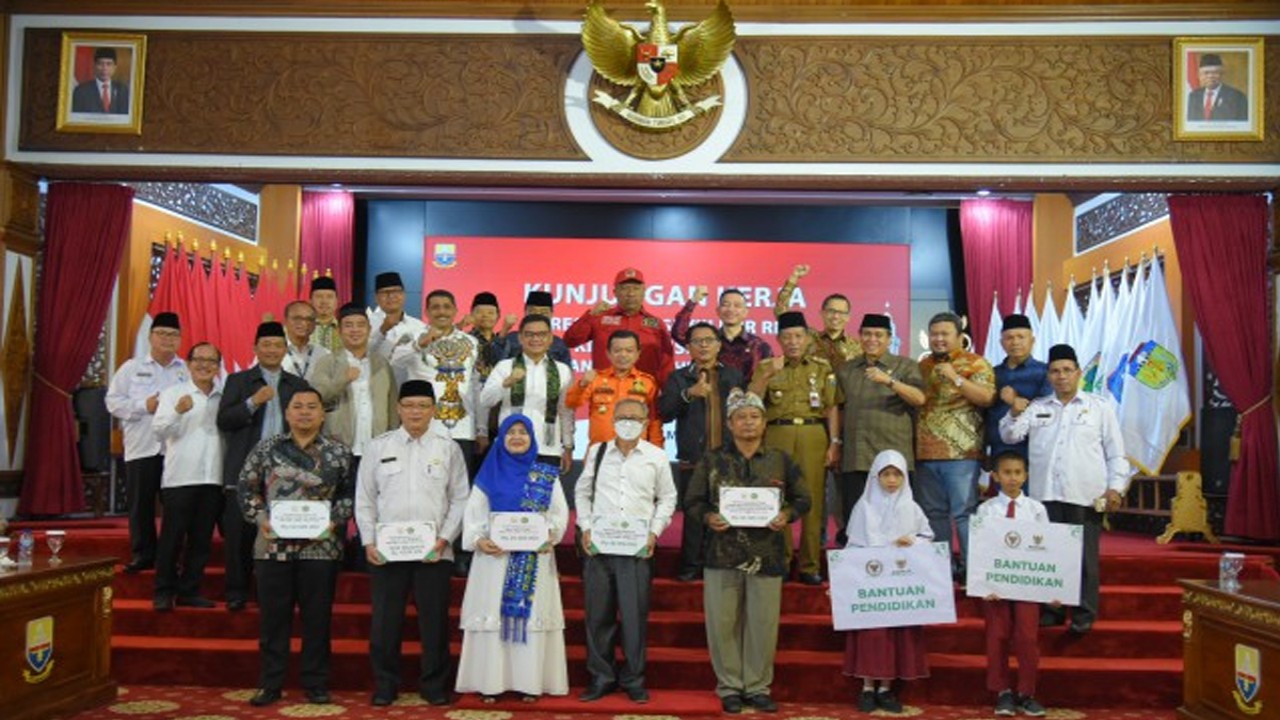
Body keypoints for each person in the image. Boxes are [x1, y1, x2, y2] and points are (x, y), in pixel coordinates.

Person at [685, 389, 811, 714]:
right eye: (741, 417)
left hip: (767, 555)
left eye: (754, 416)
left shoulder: (780, 459)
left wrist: (787, 515)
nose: (748, 422)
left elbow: (803, 498)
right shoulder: (713, 459)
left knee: (762, 624)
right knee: (722, 623)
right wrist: (708, 517)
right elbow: (693, 501)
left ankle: (757, 686)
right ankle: (729, 686)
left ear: (765, 422)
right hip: (721, 553)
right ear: (729, 423)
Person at [999, 343, 1128, 635]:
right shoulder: (1039, 407)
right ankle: (1052, 609)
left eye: (1067, 370)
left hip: (1085, 494)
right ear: (1049, 375)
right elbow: (1009, 435)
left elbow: (1116, 453)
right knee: (1048, 555)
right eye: (1055, 371)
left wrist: (1115, 488)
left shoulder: (1099, 407)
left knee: (1085, 559)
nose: (1061, 376)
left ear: (1078, 373)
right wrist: (1014, 411)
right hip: (1044, 495)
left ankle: (1084, 613)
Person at [238, 387, 356, 707]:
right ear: (287, 413)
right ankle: (270, 682)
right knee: (273, 619)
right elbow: (246, 489)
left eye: (311, 407)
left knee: (317, 618)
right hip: (273, 547)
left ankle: (316, 683)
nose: (304, 412)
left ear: (322, 413)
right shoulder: (267, 448)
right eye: (298, 407)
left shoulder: (338, 452)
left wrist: (334, 521)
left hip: (321, 548)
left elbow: (350, 495)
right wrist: (260, 518)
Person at [357, 380, 470, 707]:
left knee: (434, 622)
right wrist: (368, 541)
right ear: (399, 408)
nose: (415, 411)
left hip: (434, 552)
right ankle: (385, 685)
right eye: (409, 405)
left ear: (433, 410)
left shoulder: (448, 447)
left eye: (423, 405)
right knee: (385, 622)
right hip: (386, 551)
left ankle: (434, 685)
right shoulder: (379, 446)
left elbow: (460, 498)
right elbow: (365, 499)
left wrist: (444, 539)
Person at [455, 414, 570, 701]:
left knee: (530, 617)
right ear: (501, 438)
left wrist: (549, 535)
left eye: (523, 432)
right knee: (495, 616)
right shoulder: (488, 473)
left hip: (534, 560)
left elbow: (559, 513)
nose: (517, 437)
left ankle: (529, 683)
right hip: (494, 560)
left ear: (532, 438)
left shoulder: (545, 474)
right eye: (511, 432)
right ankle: (490, 682)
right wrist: (480, 538)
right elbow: (473, 514)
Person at [575, 399, 677, 703]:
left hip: (636, 549)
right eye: (622, 417)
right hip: (599, 547)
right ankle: (601, 677)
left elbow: (668, 498)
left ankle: (633, 678)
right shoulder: (597, 452)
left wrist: (654, 532)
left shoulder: (656, 457)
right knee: (598, 616)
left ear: (646, 422)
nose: (628, 421)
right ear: (613, 420)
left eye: (635, 417)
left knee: (634, 616)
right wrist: (585, 527)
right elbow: (582, 492)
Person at [218, 321, 310, 611]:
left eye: (277, 345)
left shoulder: (298, 385)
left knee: (285, 532)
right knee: (240, 535)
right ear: (256, 348)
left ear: (285, 350)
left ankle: (278, 594)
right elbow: (224, 420)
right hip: (245, 469)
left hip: (286, 471)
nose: (271, 350)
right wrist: (252, 402)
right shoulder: (238, 381)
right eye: (266, 345)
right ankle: (237, 591)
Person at [749, 311, 840, 586]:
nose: (793, 342)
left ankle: (809, 565)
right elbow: (751, 400)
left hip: (814, 433)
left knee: (811, 500)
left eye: (798, 336)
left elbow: (833, 406)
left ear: (807, 338)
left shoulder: (822, 367)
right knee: (777, 498)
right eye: (787, 337)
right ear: (778, 339)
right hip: (777, 433)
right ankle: (782, 560)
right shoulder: (766, 365)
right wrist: (767, 375)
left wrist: (834, 442)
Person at [843, 449, 933, 715]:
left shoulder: (912, 507)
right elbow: (853, 544)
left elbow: (928, 536)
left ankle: (885, 688)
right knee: (872, 636)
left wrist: (914, 541)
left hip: (899, 585)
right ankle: (868, 687)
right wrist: (843, 581)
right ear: (875, 477)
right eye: (886, 474)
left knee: (895, 636)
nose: (892, 480)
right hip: (871, 584)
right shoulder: (864, 507)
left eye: (897, 474)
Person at [659, 321, 744, 581]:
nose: (704, 345)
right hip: (693, 459)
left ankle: (721, 564)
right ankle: (690, 567)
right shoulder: (679, 377)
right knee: (696, 516)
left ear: (719, 345)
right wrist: (689, 393)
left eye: (709, 340)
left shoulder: (733, 376)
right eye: (698, 341)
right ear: (689, 347)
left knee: (727, 514)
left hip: (728, 457)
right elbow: (664, 412)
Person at [105, 311, 187, 574]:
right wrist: (144, 405)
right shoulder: (132, 368)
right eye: (162, 333)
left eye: (173, 335)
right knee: (141, 504)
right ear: (151, 337)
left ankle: (171, 556)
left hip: (176, 449)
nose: (167, 339)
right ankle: (143, 554)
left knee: (175, 506)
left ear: (180, 339)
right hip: (142, 447)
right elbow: (112, 402)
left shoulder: (187, 370)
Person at [833, 313, 925, 546]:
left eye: (878, 335)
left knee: (897, 522)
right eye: (867, 334)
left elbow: (919, 399)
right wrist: (835, 442)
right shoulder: (847, 370)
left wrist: (890, 381)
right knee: (855, 521)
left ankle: (896, 574)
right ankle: (858, 573)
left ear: (889, 338)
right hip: (857, 456)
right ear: (860, 337)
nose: (872, 339)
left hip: (893, 460)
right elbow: (836, 408)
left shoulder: (906, 366)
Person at [916, 311, 995, 577]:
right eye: (934, 334)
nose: (938, 339)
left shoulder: (977, 363)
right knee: (933, 513)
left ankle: (974, 571)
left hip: (962, 453)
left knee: (964, 513)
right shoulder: (922, 366)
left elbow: (986, 398)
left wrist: (956, 378)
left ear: (960, 337)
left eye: (945, 334)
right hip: (925, 453)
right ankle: (942, 569)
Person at [151, 342, 224, 611]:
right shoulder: (173, 394)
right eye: (199, 359)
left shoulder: (224, 395)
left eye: (211, 361)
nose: (205, 365)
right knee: (172, 539)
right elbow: (158, 431)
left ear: (218, 366)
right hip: (180, 478)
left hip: (212, 477)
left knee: (201, 540)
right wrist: (177, 411)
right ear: (189, 362)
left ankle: (189, 590)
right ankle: (163, 591)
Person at [975, 451, 1049, 717]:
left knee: (1028, 638)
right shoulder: (986, 509)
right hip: (996, 587)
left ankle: (1027, 693)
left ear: (1026, 476)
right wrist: (984, 584)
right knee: (997, 637)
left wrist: (1051, 587)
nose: (1012, 478)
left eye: (1018, 473)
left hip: (1028, 586)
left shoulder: (1037, 510)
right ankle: (1002, 691)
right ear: (995, 476)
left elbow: (1049, 550)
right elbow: (981, 549)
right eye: (1007, 472)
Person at [396, 289, 482, 474]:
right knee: (425, 485)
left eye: (446, 307)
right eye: (435, 307)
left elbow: (475, 387)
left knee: (460, 489)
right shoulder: (413, 336)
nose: (441, 312)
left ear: (455, 311)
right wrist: (420, 344)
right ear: (427, 312)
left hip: (463, 427)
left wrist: (481, 429)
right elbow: (393, 360)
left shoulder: (471, 342)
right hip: (426, 427)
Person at [480, 315, 575, 474]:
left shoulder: (562, 370)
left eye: (541, 334)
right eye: (530, 334)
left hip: (547, 448)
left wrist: (568, 446)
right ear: (520, 338)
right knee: (509, 497)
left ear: (550, 338)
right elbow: (485, 401)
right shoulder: (505, 367)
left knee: (542, 498)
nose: (535, 339)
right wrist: (506, 383)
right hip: (511, 446)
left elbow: (565, 411)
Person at [309, 302, 400, 458]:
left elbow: (392, 407)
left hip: (377, 449)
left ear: (369, 330)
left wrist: (393, 441)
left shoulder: (382, 364)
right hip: (338, 449)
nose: (355, 330)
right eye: (349, 325)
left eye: (360, 325)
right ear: (339, 331)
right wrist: (343, 379)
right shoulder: (327, 362)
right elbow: (318, 398)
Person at [565, 267, 676, 385]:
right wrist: (590, 316)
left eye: (636, 288)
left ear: (644, 291)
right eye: (625, 289)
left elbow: (666, 363)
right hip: (604, 391)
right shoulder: (599, 318)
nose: (631, 294)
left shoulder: (656, 324)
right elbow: (570, 341)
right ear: (615, 292)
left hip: (643, 392)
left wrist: (668, 394)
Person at [566, 329, 663, 447]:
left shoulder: (648, 383)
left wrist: (657, 449)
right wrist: (583, 384)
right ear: (608, 353)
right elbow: (571, 403)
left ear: (638, 353)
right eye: (617, 350)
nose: (623, 355)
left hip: (636, 452)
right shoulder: (595, 379)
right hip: (601, 451)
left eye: (629, 351)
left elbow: (654, 421)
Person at [986, 314, 1049, 463]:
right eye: (1009, 338)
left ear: (1032, 340)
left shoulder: (1045, 372)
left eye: (1021, 337)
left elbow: (1048, 414)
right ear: (1001, 343)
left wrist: (1014, 401)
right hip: (999, 449)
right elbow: (984, 414)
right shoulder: (992, 373)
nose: (1015, 342)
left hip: (1034, 448)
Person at [672, 286, 773, 380]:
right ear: (718, 311)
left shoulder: (760, 346)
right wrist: (693, 301)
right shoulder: (708, 341)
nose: (730, 309)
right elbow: (678, 333)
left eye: (737, 306)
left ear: (746, 312)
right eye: (726, 305)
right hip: (710, 396)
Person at [774, 264, 862, 370]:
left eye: (841, 312)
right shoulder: (809, 338)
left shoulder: (858, 347)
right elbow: (782, 312)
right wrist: (794, 279)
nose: (836, 316)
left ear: (848, 317)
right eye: (831, 311)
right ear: (822, 313)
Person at [367, 271, 427, 376]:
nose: (391, 296)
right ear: (376, 297)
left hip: (408, 386)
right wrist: (382, 331)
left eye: (396, 291)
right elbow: (360, 353)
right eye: (385, 293)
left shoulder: (419, 326)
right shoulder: (365, 323)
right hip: (374, 383)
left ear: (403, 295)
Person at [496, 290, 572, 366]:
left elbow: (567, 373)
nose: (537, 316)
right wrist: (504, 330)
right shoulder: (512, 338)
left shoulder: (559, 344)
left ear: (551, 314)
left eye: (543, 313)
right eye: (533, 311)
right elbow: (495, 361)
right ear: (525, 312)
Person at [1186, 53, 1248, 121]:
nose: (1210, 76)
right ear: (1199, 75)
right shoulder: (1193, 96)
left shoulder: (1238, 97)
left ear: (1221, 74)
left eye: (1215, 72)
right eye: (1206, 73)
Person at [71, 46, 130, 114]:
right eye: (100, 64)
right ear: (94, 66)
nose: (104, 68)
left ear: (114, 67)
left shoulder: (123, 90)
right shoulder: (81, 91)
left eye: (109, 64)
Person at [282, 300, 331, 380]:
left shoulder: (324, 354)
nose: (304, 323)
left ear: (315, 324)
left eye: (309, 319)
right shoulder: (271, 352)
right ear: (285, 321)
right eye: (297, 318)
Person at [309, 276, 342, 354]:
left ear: (337, 301)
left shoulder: (345, 329)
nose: (324, 301)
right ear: (310, 301)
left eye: (329, 297)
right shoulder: (302, 330)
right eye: (319, 296)